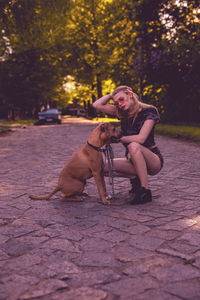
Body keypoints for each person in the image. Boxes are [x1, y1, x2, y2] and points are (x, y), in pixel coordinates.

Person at [92, 85, 164, 205]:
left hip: (153, 160)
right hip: (133, 159)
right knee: (103, 168)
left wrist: (120, 139)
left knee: (133, 145)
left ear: (130, 95)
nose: (119, 104)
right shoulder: (121, 112)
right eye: (116, 102)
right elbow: (97, 105)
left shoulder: (149, 111)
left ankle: (145, 191)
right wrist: (112, 94)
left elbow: (141, 138)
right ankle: (135, 179)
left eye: (121, 99)